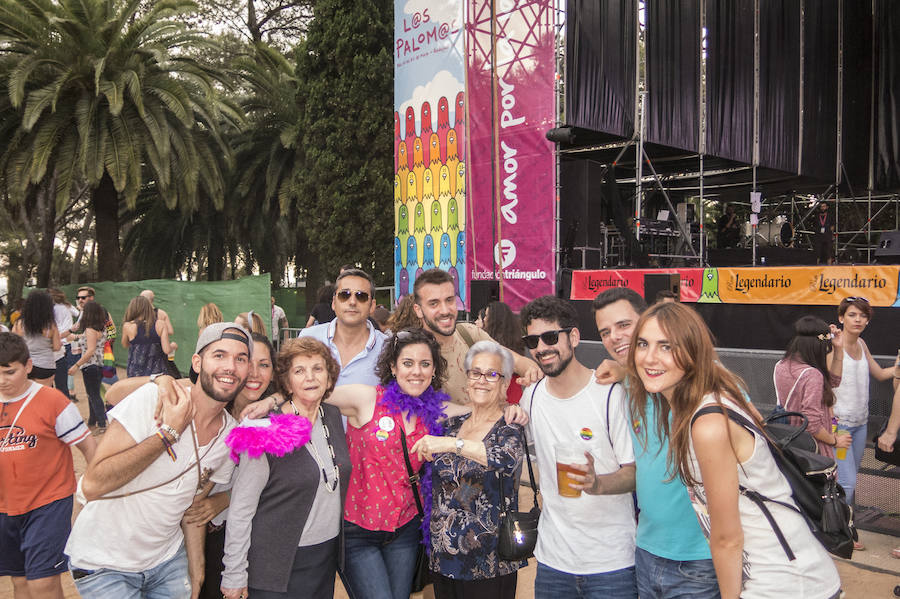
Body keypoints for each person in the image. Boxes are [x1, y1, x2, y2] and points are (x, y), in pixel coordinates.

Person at [628, 302, 841, 599]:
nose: (649, 357)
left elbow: (727, 538)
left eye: (666, 346)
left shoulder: (708, 424)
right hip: (785, 573)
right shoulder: (704, 401)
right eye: (643, 344)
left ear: (692, 351)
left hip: (785, 582)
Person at [65, 322, 249, 598]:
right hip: (105, 563)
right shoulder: (155, 398)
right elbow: (93, 484)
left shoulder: (230, 436)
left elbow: (193, 508)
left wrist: (197, 571)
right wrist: (168, 434)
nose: (230, 367)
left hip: (167, 563)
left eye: (240, 359)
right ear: (197, 363)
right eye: (219, 355)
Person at [103, 333, 278, 599]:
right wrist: (161, 380)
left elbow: (274, 482)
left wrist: (226, 498)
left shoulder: (272, 419)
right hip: (186, 534)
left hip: (241, 537)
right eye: (247, 361)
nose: (253, 372)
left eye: (264, 365)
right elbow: (114, 393)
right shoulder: (206, 394)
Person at [592, 287, 719, 599]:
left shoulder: (709, 392)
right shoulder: (630, 386)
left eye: (624, 325)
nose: (614, 337)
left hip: (700, 558)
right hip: (646, 551)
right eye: (605, 332)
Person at [519, 295, 638, 598]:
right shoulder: (531, 397)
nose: (541, 348)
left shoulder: (610, 394)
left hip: (611, 564)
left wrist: (597, 484)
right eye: (533, 341)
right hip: (553, 562)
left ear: (573, 337)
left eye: (550, 337)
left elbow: (634, 472)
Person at [221, 337, 351, 599]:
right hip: (274, 565)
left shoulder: (333, 416)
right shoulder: (263, 430)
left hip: (323, 559)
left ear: (329, 377)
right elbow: (241, 509)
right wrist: (234, 573)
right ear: (287, 382)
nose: (310, 377)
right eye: (299, 371)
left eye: (318, 368)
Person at [411, 341, 527, 599]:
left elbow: (504, 459)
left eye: (492, 374)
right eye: (476, 373)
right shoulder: (452, 425)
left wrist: (451, 445)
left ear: (505, 383)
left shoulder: (509, 426)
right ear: (467, 379)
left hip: (488, 562)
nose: (482, 380)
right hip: (443, 557)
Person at [0, 333, 96, 599]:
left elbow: (89, 447)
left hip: (48, 504)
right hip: (5, 507)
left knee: (42, 584)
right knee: (20, 582)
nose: (2, 380)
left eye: (10, 372)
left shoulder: (53, 401)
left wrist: (95, 490)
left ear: (28, 366)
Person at [412, 268, 540, 404]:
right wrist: (474, 411)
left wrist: (531, 372)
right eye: (434, 303)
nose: (445, 310)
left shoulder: (469, 333)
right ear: (418, 310)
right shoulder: (410, 352)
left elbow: (517, 362)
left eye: (449, 300)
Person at [832, 296, 898, 544]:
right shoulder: (832, 344)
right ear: (841, 318)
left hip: (860, 426)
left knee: (848, 479)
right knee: (846, 482)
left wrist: (898, 368)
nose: (858, 319)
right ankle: (840, 531)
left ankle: (844, 526)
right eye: (852, 314)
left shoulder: (862, 343)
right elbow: (823, 383)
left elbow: (880, 373)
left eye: (863, 316)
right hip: (839, 427)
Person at [774, 316, 850, 458]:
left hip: (790, 442)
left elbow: (833, 382)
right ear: (818, 346)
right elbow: (812, 425)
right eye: (826, 347)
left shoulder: (781, 365)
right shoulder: (812, 375)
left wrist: (838, 348)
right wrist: (835, 441)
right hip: (813, 450)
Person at [300, 269, 386, 387]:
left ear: (372, 306)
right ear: (334, 303)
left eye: (361, 296)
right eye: (344, 295)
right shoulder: (308, 338)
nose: (352, 302)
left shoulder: (386, 348)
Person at [68, 300, 109, 431]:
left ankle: (102, 424)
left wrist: (76, 365)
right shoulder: (101, 329)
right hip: (98, 365)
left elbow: (90, 350)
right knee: (92, 394)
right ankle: (92, 422)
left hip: (90, 365)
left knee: (94, 395)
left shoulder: (90, 329)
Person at [11, 290, 61, 387]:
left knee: (26, 394)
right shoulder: (51, 325)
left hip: (25, 364)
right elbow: (57, 347)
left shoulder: (19, 323)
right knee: (44, 394)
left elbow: (13, 344)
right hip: (46, 364)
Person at [482, 301, 526, 404]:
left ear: (494, 319)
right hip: (515, 392)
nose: (484, 319)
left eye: (486, 316)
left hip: (498, 395)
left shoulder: (491, 345)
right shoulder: (516, 340)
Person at [122, 295, 176, 378]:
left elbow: (125, 344)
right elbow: (167, 350)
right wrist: (173, 346)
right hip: (157, 371)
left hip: (135, 371)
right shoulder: (160, 324)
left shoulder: (128, 326)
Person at [49, 288, 77, 401]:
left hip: (58, 340)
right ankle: (71, 392)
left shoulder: (51, 309)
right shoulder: (68, 306)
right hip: (69, 339)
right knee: (69, 368)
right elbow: (78, 314)